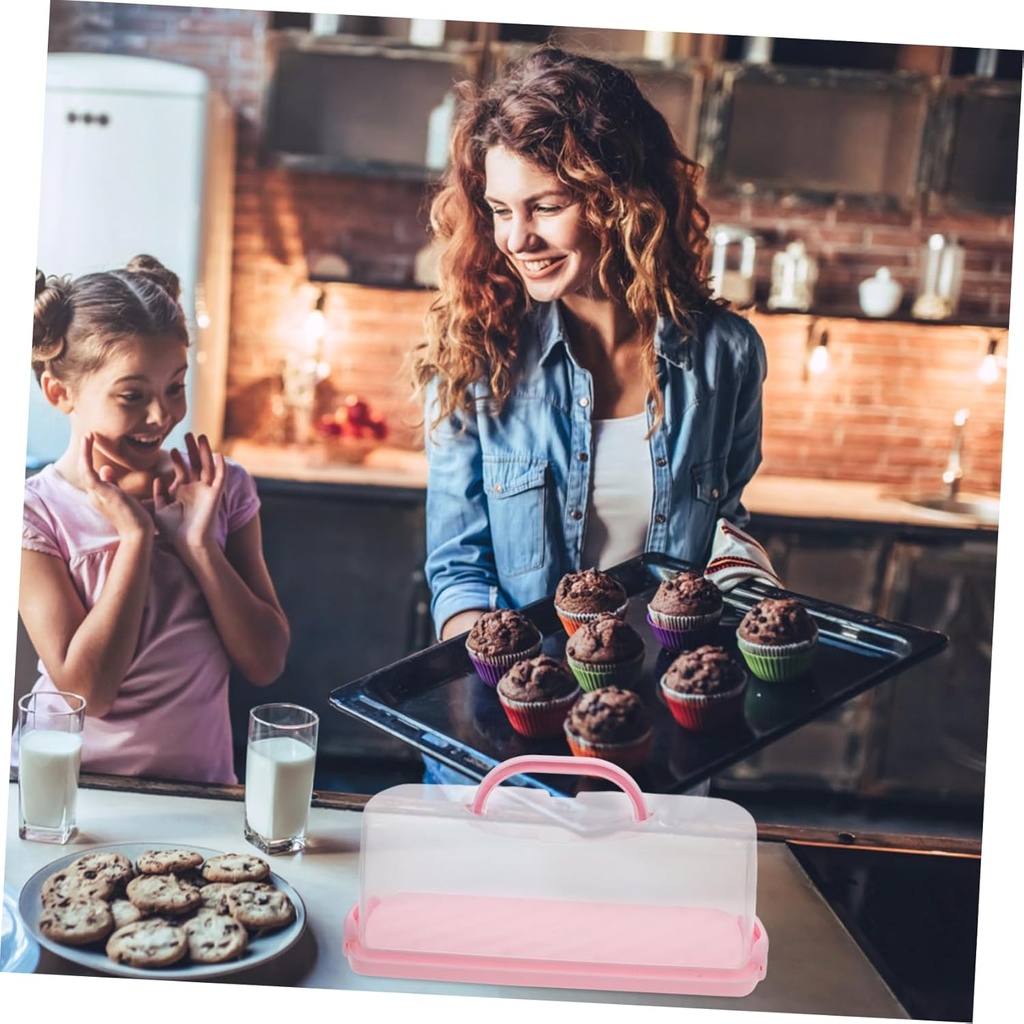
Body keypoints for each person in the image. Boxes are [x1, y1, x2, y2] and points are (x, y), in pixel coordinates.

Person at [412, 46, 781, 648]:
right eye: (500, 210)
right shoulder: (477, 353)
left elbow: (725, 530)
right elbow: (459, 571)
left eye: (547, 207)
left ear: (621, 200)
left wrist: (748, 583)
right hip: (518, 697)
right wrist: (498, 678)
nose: (516, 237)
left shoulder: (726, 356)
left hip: (660, 701)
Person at [13, 255, 290, 784]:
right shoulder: (35, 513)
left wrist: (200, 547)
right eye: (132, 396)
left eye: (175, 387)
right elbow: (87, 694)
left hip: (200, 792)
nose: (161, 416)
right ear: (58, 392)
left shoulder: (221, 489)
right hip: (68, 790)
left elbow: (266, 662)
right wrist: (137, 539)